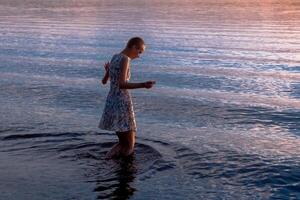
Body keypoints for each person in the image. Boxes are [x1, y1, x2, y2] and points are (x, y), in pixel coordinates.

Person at [99, 37, 156, 159]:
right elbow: (122, 84)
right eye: (139, 51)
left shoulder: (115, 57)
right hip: (122, 102)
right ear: (133, 47)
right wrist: (143, 85)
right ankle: (126, 170)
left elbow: (104, 81)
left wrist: (107, 71)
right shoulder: (125, 59)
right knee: (130, 145)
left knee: (122, 142)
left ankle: (105, 160)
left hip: (111, 101)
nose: (139, 55)